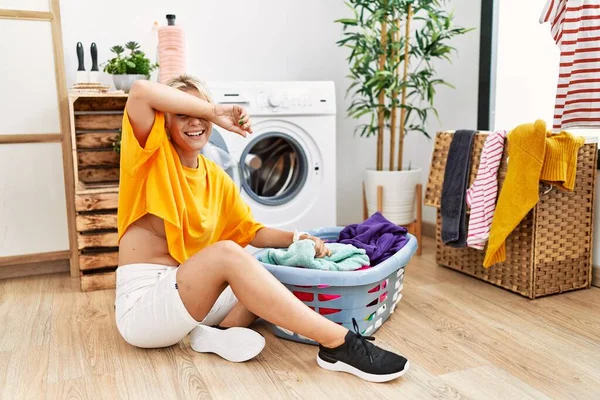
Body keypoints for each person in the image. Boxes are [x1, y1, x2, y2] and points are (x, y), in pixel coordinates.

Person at [114, 74, 409, 383]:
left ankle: (218, 335)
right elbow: (140, 91)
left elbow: (251, 231)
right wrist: (214, 110)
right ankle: (339, 343)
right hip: (145, 311)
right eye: (183, 114)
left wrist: (299, 237)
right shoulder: (148, 158)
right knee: (228, 255)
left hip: (188, 299)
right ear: (164, 123)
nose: (196, 122)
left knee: (267, 270)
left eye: (200, 113)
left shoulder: (215, 177)